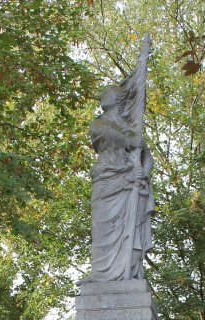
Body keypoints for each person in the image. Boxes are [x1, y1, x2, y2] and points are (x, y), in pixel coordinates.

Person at [88, 39, 153, 281]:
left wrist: (143, 173)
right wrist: (131, 138)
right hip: (108, 183)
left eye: (107, 94)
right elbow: (125, 140)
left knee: (132, 232)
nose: (103, 98)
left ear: (117, 100)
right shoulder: (99, 125)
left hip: (131, 182)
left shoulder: (128, 127)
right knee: (102, 229)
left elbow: (146, 155)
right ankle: (102, 274)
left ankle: (129, 274)